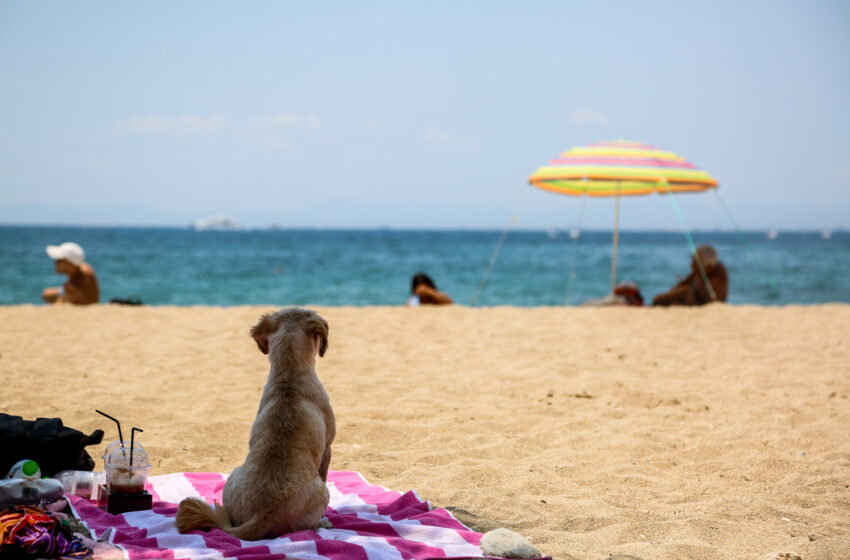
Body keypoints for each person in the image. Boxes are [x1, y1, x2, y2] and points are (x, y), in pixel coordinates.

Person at [652, 245, 728, 306]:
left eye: (694, 262)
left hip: (696, 303)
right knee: (658, 299)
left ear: (706, 266)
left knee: (686, 291)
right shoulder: (698, 272)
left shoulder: (717, 277)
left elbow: (712, 301)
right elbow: (683, 283)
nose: (691, 265)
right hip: (690, 300)